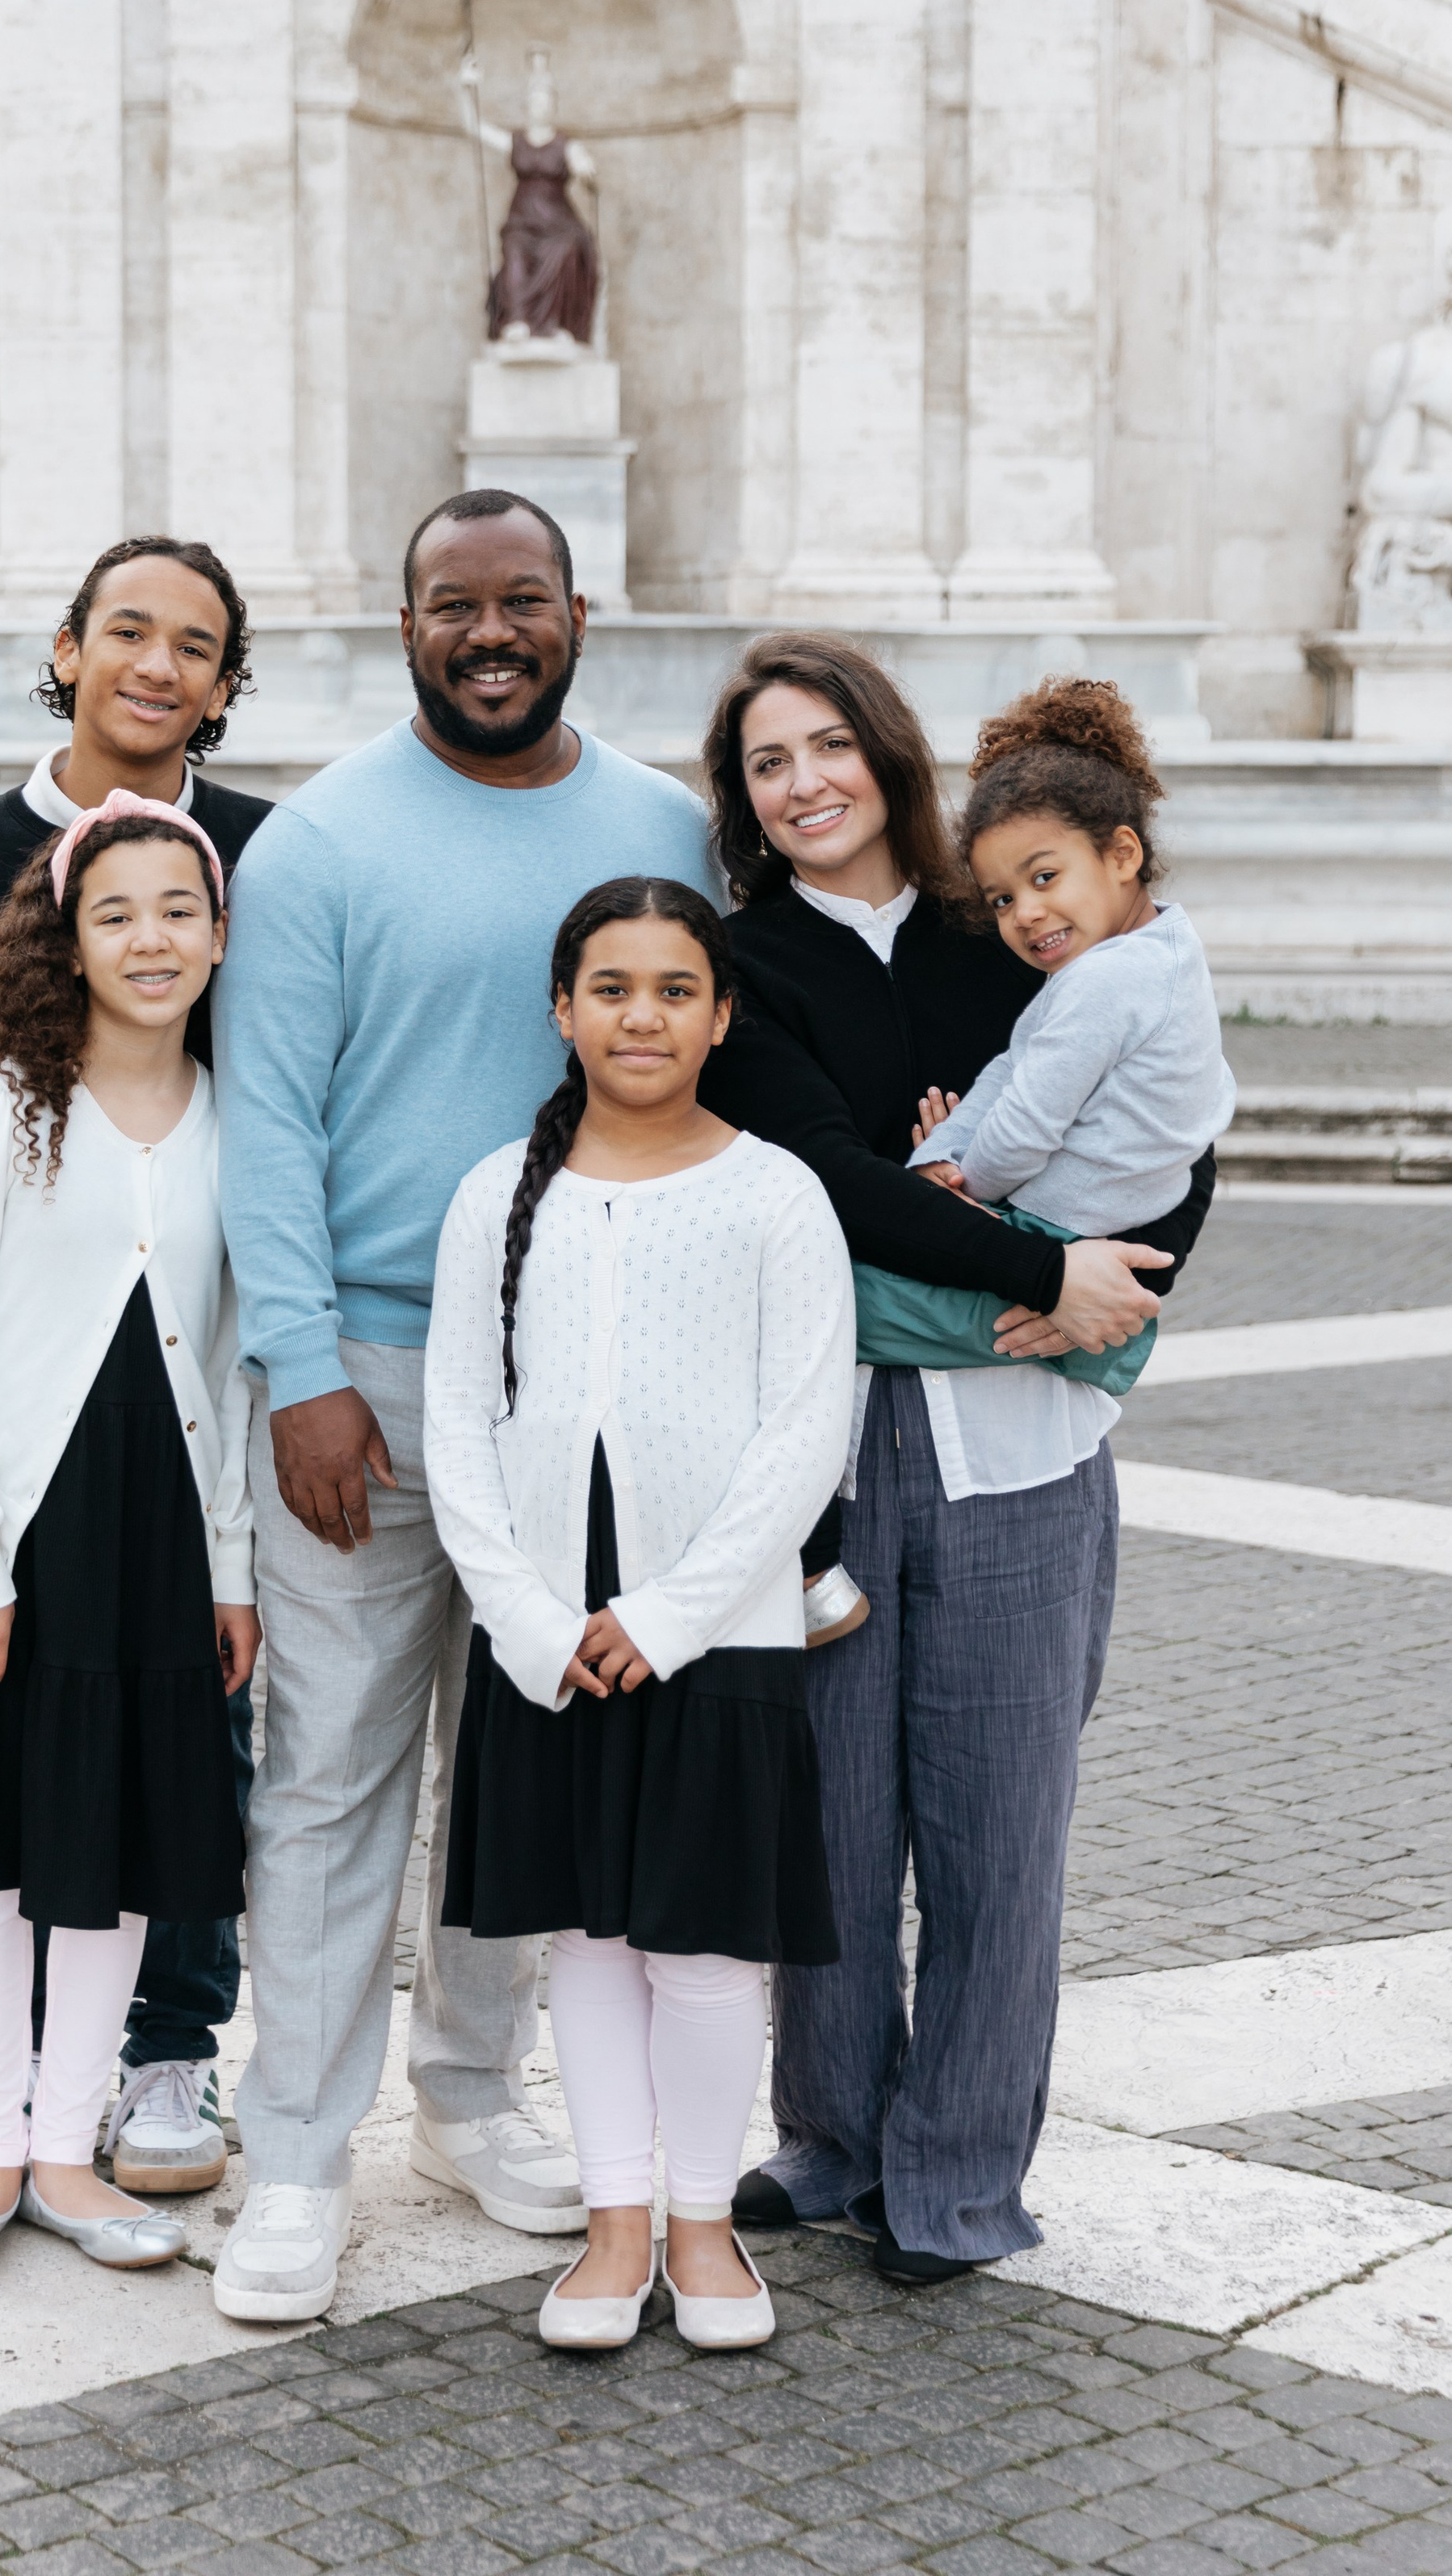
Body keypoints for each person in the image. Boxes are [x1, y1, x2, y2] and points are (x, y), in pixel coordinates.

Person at [210, 488, 719, 2323]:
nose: (486, 632)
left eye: (519, 601)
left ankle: (467, 2098)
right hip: (363, 1372)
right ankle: (289, 2156)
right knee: (331, 1771)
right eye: (451, 604)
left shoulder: (664, 823)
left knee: (518, 1772)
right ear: (402, 618)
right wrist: (297, 1369)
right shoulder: (320, 844)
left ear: (577, 611)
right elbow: (262, 1124)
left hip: (573, 1380)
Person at [694, 633, 1215, 2288]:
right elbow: (826, 1180)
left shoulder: (1011, 930)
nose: (803, 784)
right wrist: (1029, 1262)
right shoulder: (739, 963)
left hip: (1023, 1441)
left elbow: (1169, 1131)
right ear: (741, 799)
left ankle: (958, 2179)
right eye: (767, 762)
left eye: (827, 745)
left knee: (1000, 1826)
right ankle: (832, 2136)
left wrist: (1117, 1292)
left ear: (884, 755)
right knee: (832, 1821)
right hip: (822, 1446)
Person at [0, 535, 271, 2201]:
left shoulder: (263, 858)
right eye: (128, 632)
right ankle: (13, 2105)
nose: (158, 665)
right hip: (19, 1399)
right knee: (13, 1742)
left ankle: (164, 2053)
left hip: (189, 1393)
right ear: (67, 648)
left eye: (196, 644)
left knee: (178, 1744)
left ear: (225, 683)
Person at [425, 879, 854, 2353]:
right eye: (612, 987)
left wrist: (669, 1614)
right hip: (547, 1633)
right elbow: (460, 1428)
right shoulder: (498, 1193)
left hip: (714, 1629)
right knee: (589, 1940)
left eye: (676, 989)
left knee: (706, 1947)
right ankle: (613, 2225)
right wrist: (531, 1622)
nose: (643, 1015)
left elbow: (804, 1433)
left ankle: (701, 2224)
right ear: (564, 1009)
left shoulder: (775, 1193)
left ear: (722, 1014)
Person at [868, 680, 1236, 1396]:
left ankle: (1098, 1346)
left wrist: (961, 1194)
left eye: (1044, 877)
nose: (1025, 914)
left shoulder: (1105, 982)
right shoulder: (1159, 949)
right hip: (1076, 1228)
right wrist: (940, 1157)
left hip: (1054, 1238)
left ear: (1122, 854)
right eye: (1002, 898)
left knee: (859, 1305)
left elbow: (1026, 1124)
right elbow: (1014, 1068)